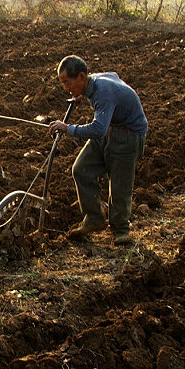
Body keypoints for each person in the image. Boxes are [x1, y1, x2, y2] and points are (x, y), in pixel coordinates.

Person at [48, 55, 147, 246]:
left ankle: (120, 229)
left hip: (128, 135)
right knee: (81, 168)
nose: (66, 89)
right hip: (110, 129)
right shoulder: (94, 81)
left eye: (67, 83)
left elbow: (98, 129)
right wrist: (81, 95)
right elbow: (114, 75)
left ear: (82, 77)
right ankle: (94, 219)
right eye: (63, 83)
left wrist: (67, 128)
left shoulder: (103, 93)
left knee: (119, 184)